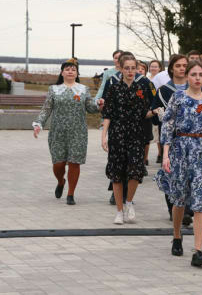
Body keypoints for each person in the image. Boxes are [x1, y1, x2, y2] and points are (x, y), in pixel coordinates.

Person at [154, 60, 202, 267]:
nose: (197, 78)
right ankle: (177, 235)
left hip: (200, 152)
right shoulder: (177, 98)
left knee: (200, 201)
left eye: (201, 74)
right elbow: (168, 126)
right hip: (179, 150)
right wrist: (166, 155)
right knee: (179, 199)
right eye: (194, 74)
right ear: (187, 76)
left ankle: (198, 250)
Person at [32, 58, 103, 205]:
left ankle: (71, 194)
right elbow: (46, 109)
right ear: (62, 72)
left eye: (73, 69)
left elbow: (90, 108)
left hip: (78, 132)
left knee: (74, 163)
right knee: (58, 164)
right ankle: (60, 181)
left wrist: (99, 104)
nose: (70, 71)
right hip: (58, 132)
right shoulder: (54, 90)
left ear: (77, 73)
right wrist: (39, 123)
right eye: (67, 69)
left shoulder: (83, 89)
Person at [101, 53, 155, 224]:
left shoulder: (143, 87)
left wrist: (155, 112)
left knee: (134, 172)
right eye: (127, 68)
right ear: (121, 69)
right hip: (117, 134)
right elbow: (108, 114)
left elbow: (148, 110)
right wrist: (104, 136)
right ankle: (118, 211)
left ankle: (129, 202)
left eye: (133, 68)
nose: (130, 71)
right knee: (117, 173)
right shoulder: (114, 87)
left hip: (137, 134)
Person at [152, 54, 194, 224]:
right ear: (171, 68)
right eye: (178, 65)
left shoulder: (195, 87)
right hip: (171, 139)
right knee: (172, 174)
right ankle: (173, 209)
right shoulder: (163, 90)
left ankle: (187, 207)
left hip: (191, 138)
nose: (182, 68)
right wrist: (157, 112)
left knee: (191, 174)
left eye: (185, 65)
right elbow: (155, 113)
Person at [137, 60, 155, 172]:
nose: (139, 70)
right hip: (132, 118)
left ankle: (143, 162)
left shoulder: (148, 82)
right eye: (137, 68)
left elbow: (154, 98)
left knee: (146, 140)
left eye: (142, 69)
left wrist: (151, 111)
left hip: (145, 116)